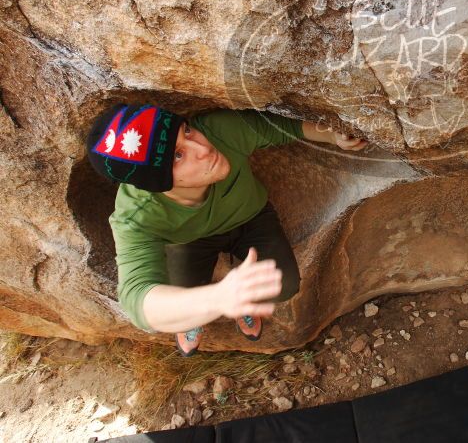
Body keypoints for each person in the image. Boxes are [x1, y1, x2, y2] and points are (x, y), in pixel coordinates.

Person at [85, 103, 367, 356]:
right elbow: (138, 297)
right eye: (179, 156)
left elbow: (282, 126)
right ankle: (193, 320)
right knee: (182, 305)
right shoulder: (137, 216)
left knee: (284, 285)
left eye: (187, 131)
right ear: (157, 184)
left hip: (250, 218)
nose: (205, 148)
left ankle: (238, 302)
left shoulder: (220, 132)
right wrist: (218, 299)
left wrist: (332, 135)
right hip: (189, 241)